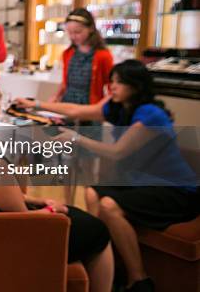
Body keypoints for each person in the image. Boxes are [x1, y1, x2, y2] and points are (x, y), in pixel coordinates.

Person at [15, 60, 198, 292]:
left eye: (119, 82)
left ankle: (139, 280)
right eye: (112, 81)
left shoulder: (151, 115)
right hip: (141, 184)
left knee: (110, 205)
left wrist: (76, 138)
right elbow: (76, 110)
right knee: (91, 193)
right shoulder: (118, 107)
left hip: (176, 190)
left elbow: (117, 152)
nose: (112, 87)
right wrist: (35, 104)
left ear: (136, 86)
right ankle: (103, 266)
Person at [0, 78, 114, 292]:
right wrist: (53, 210)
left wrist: (39, 200)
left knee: (77, 216)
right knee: (98, 231)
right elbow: (24, 221)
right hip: (6, 240)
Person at [51, 8, 113, 106]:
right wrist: (56, 96)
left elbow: (111, 86)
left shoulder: (103, 55)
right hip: (67, 103)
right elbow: (65, 82)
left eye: (77, 32)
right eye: (70, 33)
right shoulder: (67, 53)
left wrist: (102, 107)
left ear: (91, 28)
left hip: (90, 106)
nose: (73, 37)